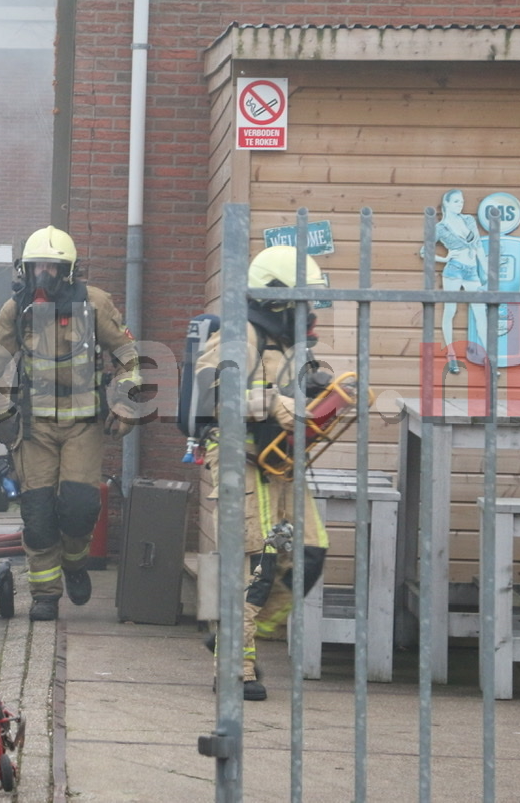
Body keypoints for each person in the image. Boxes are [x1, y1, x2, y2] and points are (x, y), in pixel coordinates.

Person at [0, 226, 142, 622]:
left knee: (80, 507)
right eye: (36, 267)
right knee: (38, 512)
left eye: (52, 267)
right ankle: (45, 594)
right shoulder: (15, 311)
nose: (43, 275)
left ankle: (76, 561)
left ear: (68, 271)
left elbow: (129, 356)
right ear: (24, 270)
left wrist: (126, 402)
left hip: (83, 423)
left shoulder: (95, 304)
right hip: (35, 427)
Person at [194, 244, 331, 701]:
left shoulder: (290, 343)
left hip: (282, 460)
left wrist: (320, 384)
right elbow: (213, 394)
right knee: (255, 563)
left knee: (309, 552)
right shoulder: (238, 336)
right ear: (274, 299)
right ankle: (236, 666)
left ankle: (228, 632)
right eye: (301, 299)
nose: (308, 310)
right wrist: (277, 403)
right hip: (240, 455)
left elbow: (305, 380)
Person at [433, 188, 489, 374]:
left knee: (480, 311)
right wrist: (444, 258)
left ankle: (489, 358)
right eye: (456, 201)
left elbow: (479, 247)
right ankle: (451, 356)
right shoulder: (440, 228)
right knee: (451, 310)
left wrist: (487, 273)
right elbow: (425, 251)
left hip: (471, 270)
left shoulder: (468, 220)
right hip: (454, 269)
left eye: (462, 201)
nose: (460, 204)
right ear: (446, 203)